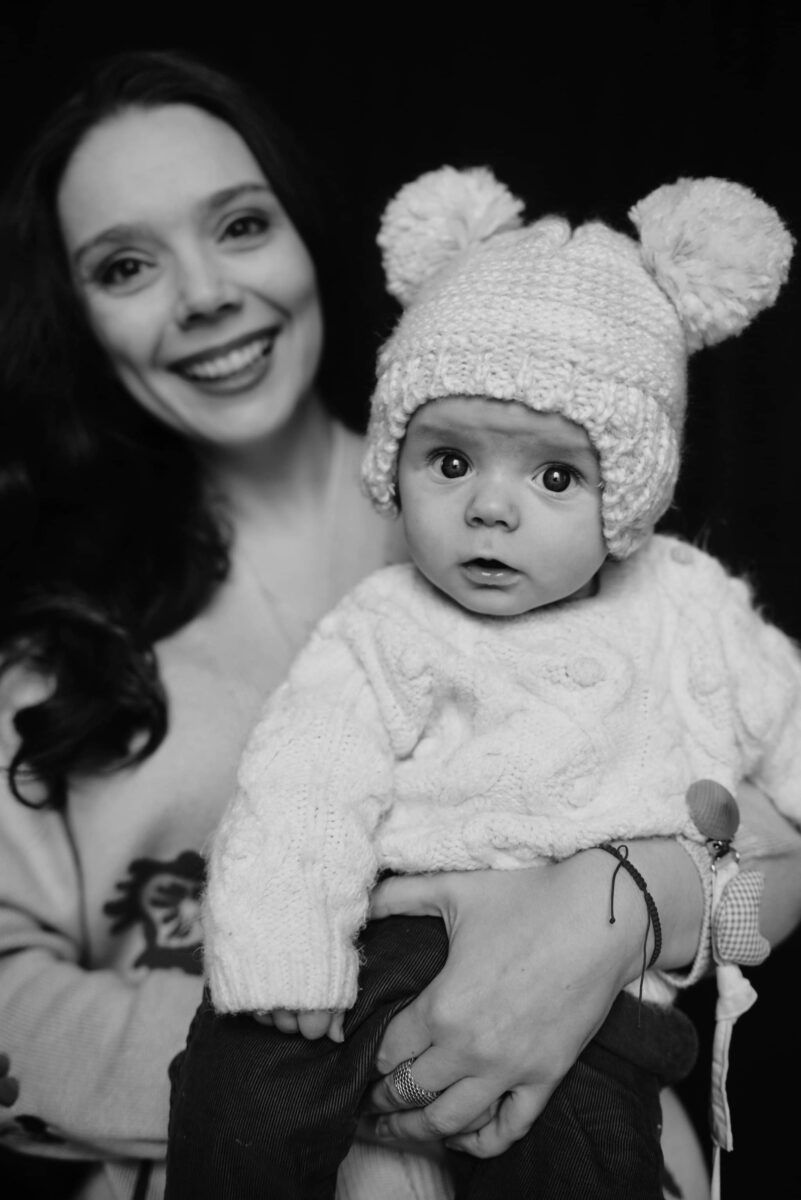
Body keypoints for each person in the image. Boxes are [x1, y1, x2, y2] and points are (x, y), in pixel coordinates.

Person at [0, 45, 798, 1200]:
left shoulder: (585, 553)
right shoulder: (48, 651)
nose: (206, 293)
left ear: (308, 235)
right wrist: (340, 1045)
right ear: (74, 314)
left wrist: (625, 912)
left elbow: (776, 871)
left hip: (591, 1139)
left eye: (240, 226)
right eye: (126, 265)